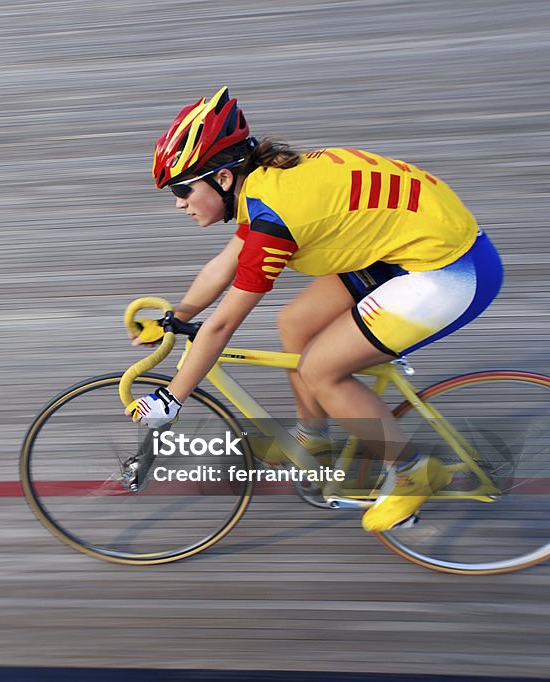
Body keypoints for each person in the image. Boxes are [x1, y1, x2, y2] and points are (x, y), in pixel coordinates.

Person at [127, 86, 503, 531]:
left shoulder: (274, 220)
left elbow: (225, 323)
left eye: (183, 189)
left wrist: (171, 397)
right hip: (408, 247)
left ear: (223, 179)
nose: (178, 203)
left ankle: (412, 472)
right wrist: (178, 317)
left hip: (449, 271)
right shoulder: (265, 181)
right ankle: (315, 442)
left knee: (320, 370)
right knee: (295, 322)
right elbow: (223, 266)